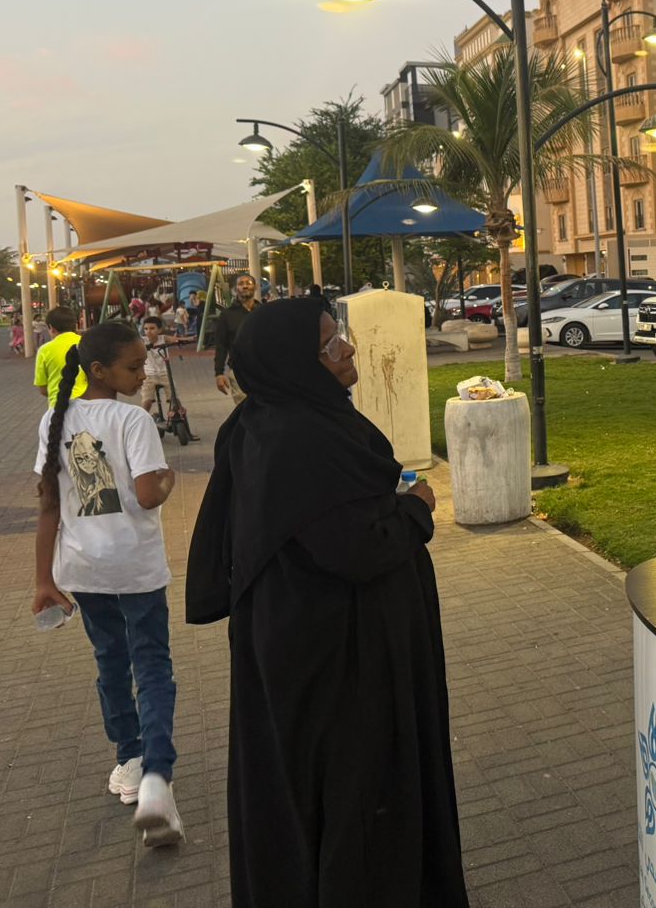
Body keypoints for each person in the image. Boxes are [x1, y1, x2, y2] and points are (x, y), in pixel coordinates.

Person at [185, 299, 468, 907]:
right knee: (354, 793)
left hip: (307, 640)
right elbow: (356, 548)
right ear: (292, 363)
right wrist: (416, 509)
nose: (347, 349)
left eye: (340, 336)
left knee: (310, 794)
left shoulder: (271, 420)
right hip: (336, 656)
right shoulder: (298, 438)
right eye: (328, 346)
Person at [31, 322, 183, 846]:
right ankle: (156, 776)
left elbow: (48, 506)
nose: (142, 374)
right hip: (135, 566)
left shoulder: (54, 420)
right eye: (133, 367)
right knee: (153, 665)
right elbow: (148, 494)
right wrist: (169, 478)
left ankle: (129, 757)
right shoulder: (132, 419)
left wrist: (43, 579)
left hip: (84, 568)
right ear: (99, 370)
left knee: (110, 661)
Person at [212, 272, 260, 406]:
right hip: (239, 371)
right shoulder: (227, 315)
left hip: (263, 369)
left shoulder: (264, 311)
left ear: (255, 287)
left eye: (248, 283)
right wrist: (219, 373)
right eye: (241, 284)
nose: (245, 286)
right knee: (244, 408)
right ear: (235, 289)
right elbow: (221, 345)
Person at [35, 306, 88, 402]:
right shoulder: (86, 343)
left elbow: (42, 388)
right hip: (86, 403)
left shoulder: (44, 350)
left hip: (58, 404)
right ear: (75, 325)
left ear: (51, 328)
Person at [138, 317, 172, 417]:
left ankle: (176, 416)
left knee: (174, 399)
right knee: (147, 400)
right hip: (149, 375)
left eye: (152, 328)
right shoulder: (142, 341)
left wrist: (187, 340)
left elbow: (175, 339)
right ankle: (142, 417)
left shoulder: (163, 338)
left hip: (165, 373)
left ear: (159, 330)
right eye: (146, 329)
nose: (148, 331)